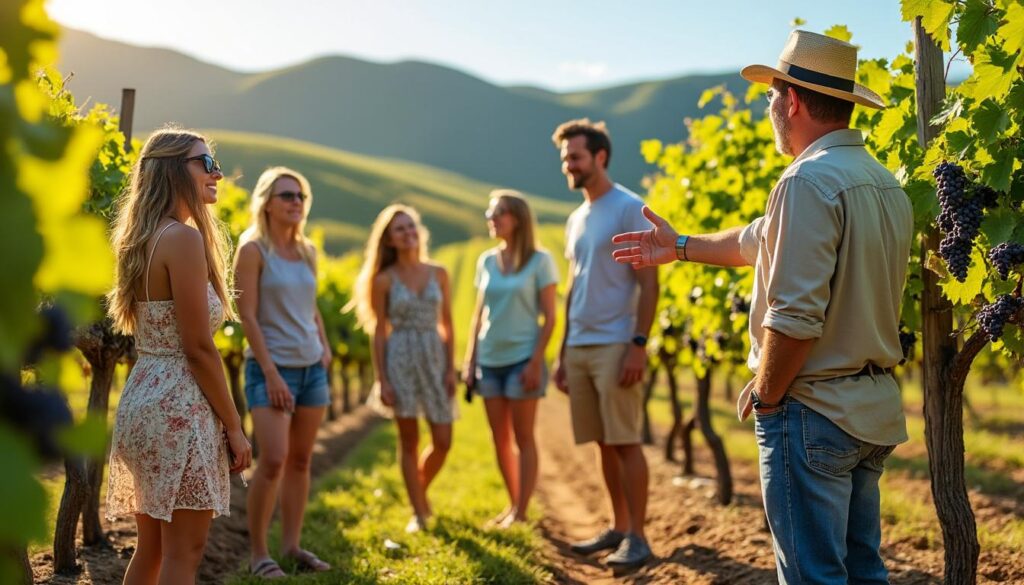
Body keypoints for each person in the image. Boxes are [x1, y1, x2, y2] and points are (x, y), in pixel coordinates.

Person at [612, 30, 913, 584]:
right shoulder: (883, 184)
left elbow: (795, 318)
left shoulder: (806, 182)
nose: (770, 107)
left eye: (771, 96)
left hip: (813, 411)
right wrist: (679, 247)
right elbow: (755, 241)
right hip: (870, 408)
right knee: (864, 570)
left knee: (811, 577)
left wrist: (771, 397)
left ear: (792, 100)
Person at [105, 127, 252, 585]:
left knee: (150, 552)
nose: (218, 173)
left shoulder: (143, 238)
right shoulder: (183, 240)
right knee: (183, 554)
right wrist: (233, 425)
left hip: (143, 398)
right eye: (205, 163)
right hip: (180, 407)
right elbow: (199, 349)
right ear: (174, 170)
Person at [550, 119, 659, 567]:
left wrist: (638, 343)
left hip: (617, 343)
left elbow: (649, 286)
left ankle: (639, 536)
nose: (568, 166)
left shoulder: (628, 208)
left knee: (626, 441)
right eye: (564, 159)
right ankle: (618, 527)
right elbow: (576, 287)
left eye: (574, 157)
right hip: (580, 346)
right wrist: (561, 351)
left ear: (600, 157)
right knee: (603, 443)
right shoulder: (577, 219)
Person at [234, 167, 333, 578]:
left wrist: (324, 347)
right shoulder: (254, 250)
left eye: (301, 197)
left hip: (312, 369)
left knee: (301, 460)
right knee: (273, 459)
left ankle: (292, 546)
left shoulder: (307, 250)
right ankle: (259, 554)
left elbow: (309, 307)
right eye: (288, 195)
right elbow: (248, 316)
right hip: (270, 368)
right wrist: (272, 374)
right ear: (267, 202)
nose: (296, 202)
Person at [351, 204, 457, 533]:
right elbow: (379, 333)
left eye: (411, 226)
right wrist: (382, 379)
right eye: (400, 229)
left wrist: (451, 368)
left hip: (434, 358)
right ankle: (418, 511)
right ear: (390, 240)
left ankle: (418, 491)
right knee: (408, 440)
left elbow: (449, 325)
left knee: (443, 439)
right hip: (400, 360)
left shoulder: (438, 272)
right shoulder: (383, 280)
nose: (408, 233)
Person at [461, 190, 558, 528]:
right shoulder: (486, 260)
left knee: (523, 437)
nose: (492, 219)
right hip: (489, 360)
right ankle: (512, 503)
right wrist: (470, 361)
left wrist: (535, 362)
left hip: (522, 360)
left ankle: (521, 511)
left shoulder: (540, 261)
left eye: (499, 213)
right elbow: (478, 315)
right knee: (499, 439)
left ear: (517, 219)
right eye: (491, 213)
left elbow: (550, 317)